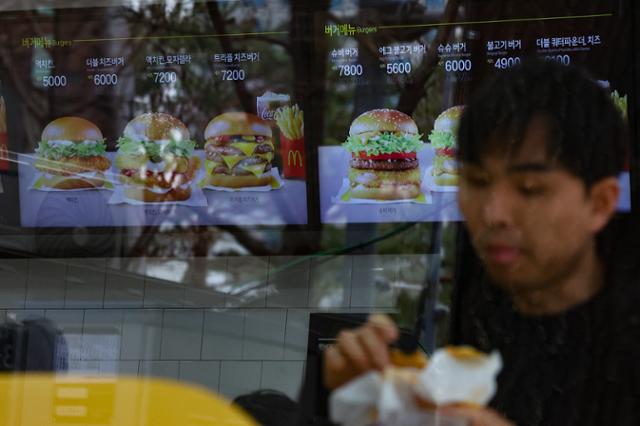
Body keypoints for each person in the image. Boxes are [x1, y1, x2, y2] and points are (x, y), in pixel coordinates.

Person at [302, 59, 640, 425]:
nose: (493, 213)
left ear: (601, 202)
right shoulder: (472, 307)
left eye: (529, 189)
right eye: (477, 181)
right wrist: (358, 394)